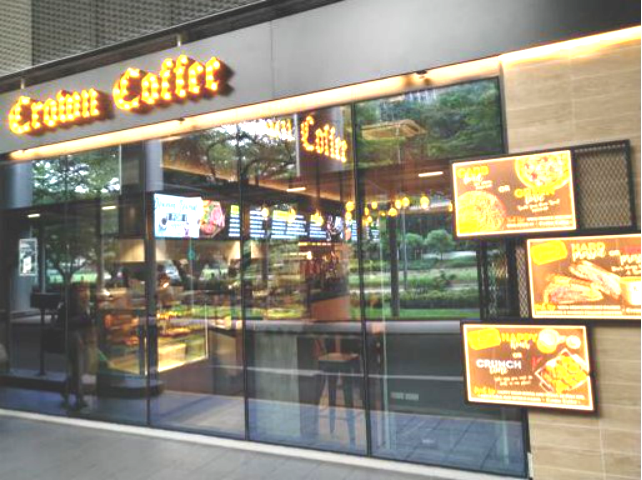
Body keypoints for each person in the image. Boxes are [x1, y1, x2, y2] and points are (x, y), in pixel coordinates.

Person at [60, 283, 95, 411]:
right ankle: (79, 397)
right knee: (79, 368)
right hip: (75, 339)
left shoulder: (80, 306)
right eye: (80, 291)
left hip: (77, 339)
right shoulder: (72, 307)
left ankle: (67, 387)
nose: (84, 294)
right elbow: (68, 323)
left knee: (78, 369)